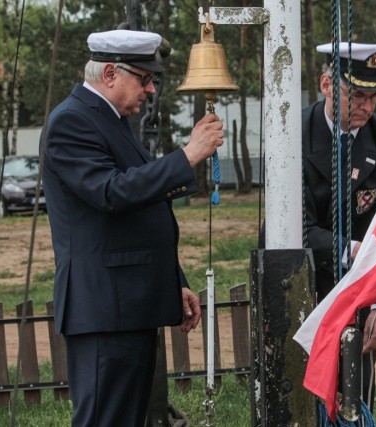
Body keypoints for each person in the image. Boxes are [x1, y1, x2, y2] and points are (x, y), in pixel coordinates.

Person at [42, 29, 224, 426]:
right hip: (104, 308)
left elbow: (141, 212)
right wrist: (189, 154)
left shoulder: (111, 119)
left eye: (152, 79)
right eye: (144, 78)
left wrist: (172, 281)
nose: (151, 89)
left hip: (128, 304)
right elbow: (110, 192)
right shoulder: (71, 121)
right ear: (110, 73)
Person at [302, 42, 376, 410]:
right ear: (327, 84)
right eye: (357, 95)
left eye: (374, 97)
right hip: (302, 283)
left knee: (355, 398)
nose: (367, 106)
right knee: (300, 399)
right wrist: (353, 249)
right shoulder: (292, 133)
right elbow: (297, 228)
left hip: (361, 290)